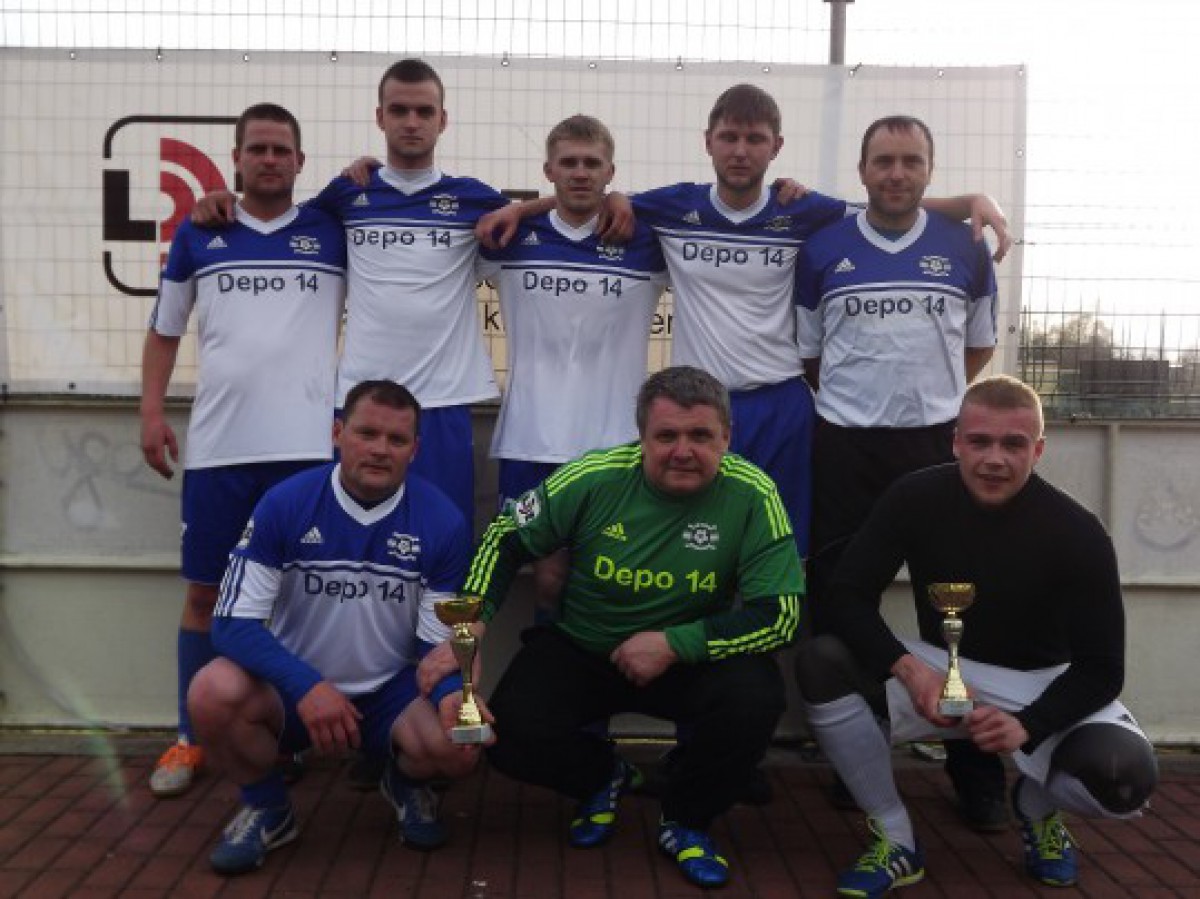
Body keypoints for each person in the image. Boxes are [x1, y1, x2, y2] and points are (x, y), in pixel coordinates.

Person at [479, 83, 1011, 560]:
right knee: (693, 547)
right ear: (708, 141)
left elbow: (887, 203)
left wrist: (972, 201)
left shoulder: (803, 211)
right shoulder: (674, 207)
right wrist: (522, 210)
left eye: (754, 139)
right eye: (729, 137)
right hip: (699, 407)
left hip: (780, 404)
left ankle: (778, 640)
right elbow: (587, 194)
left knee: (781, 548)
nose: (740, 150)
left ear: (775, 147)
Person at [793, 376, 1157, 897]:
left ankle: (1036, 808)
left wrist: (1029, 724)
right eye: (980, 441)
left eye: (1013, 444)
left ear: (1038, 450)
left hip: (1041, 683)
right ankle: (895, 836)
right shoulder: (913, 497)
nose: (994, 459)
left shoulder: (1079, 532)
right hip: (943, 670)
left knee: (1123, 778)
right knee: (822, 661)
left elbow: (1102, 669)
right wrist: (910, 671)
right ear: (956, 442)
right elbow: (846, 595)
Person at [452, 366, 803, 888]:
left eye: (700, 435)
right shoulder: (593, 476)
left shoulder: (754, 493)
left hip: (687, 658)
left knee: (756, 699)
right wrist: (472, 625)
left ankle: (685, 819)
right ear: (642, 437)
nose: (683, 451)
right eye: (666, 436)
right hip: (586, 647)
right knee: (509, 733)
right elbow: (506, 537)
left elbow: (780, 616)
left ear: (726, 438)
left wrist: (674, 643)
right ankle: (605, 776)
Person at [795, 114, 1005, 829]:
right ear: (862, 171)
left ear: (929, 170)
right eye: (883, 160)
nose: (896, 173)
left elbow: (977, 347)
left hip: (936, 451)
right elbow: (812, 355)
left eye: (911, 160)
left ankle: (975, 770)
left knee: (956, 609)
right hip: (846, 449)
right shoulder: (824, 248)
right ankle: (854, 759)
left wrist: (930, 402)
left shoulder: (965, 246)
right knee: (841, 604)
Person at [194, 58, 510, 529]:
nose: (411, 122)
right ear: (379, 117)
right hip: (360, 402)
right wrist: (224, 201)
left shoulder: (473, 198)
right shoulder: (347, 193)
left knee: (443, 538)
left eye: (424, 111)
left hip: (443, 404)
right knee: (350, 540)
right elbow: (277, 220)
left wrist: (547, 204)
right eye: (398, 110)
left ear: (442, 120)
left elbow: (552, 220)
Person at [188, 380, 487, 876]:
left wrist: (452, 695)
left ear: (414, 450)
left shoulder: (442, 522)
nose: (380, 449)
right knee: (211, 691)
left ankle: (406, 783)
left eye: (396, 439)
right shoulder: (286, 503)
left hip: (389, 692)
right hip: (295, 690)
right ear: (336, 433)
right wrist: (306, 684)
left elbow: (436, 641)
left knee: (459, 742)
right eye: (367, 433)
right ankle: (267, 807)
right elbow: (231, 622)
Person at [140, 103, 346, 798]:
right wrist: (150, 412)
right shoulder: (200, 232)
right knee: (205, 593)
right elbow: (165, 331)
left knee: (301, 600)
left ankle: (288, 734)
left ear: (300, 161)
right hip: (219, 451)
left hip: (309, 454)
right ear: (236, 159)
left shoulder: (331, 229)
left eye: (281, 149)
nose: (269, 159)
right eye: (257, 148)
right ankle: (190, 736)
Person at [478, 114, 667, 621]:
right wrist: (525, 207)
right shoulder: (513, 233)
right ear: (549, 170)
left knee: (605, 576)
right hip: (530, 441)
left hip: (614, 446)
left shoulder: (643, 238)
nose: (580, 173)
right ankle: (543, 661)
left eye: (592, 163)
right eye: (569, 163)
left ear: (610, 172)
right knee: (544, 577)